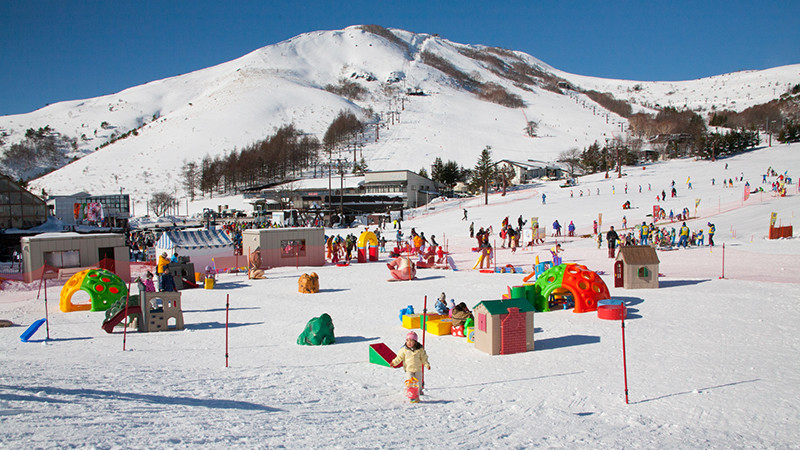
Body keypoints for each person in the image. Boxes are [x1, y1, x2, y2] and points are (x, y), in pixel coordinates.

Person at [391, 332, 431, 396]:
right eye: (407, 340)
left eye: (411, 341)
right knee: (410, 381)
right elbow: (399, 357)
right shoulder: (404, 349)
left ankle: (419, 390)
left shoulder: (420, 349)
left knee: (419, 381)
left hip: (418, 368)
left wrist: (427, 365)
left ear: (415, 342)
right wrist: (394, 362)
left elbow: (424, 358)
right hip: (408, 369)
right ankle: (409, 391)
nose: (409, 343)